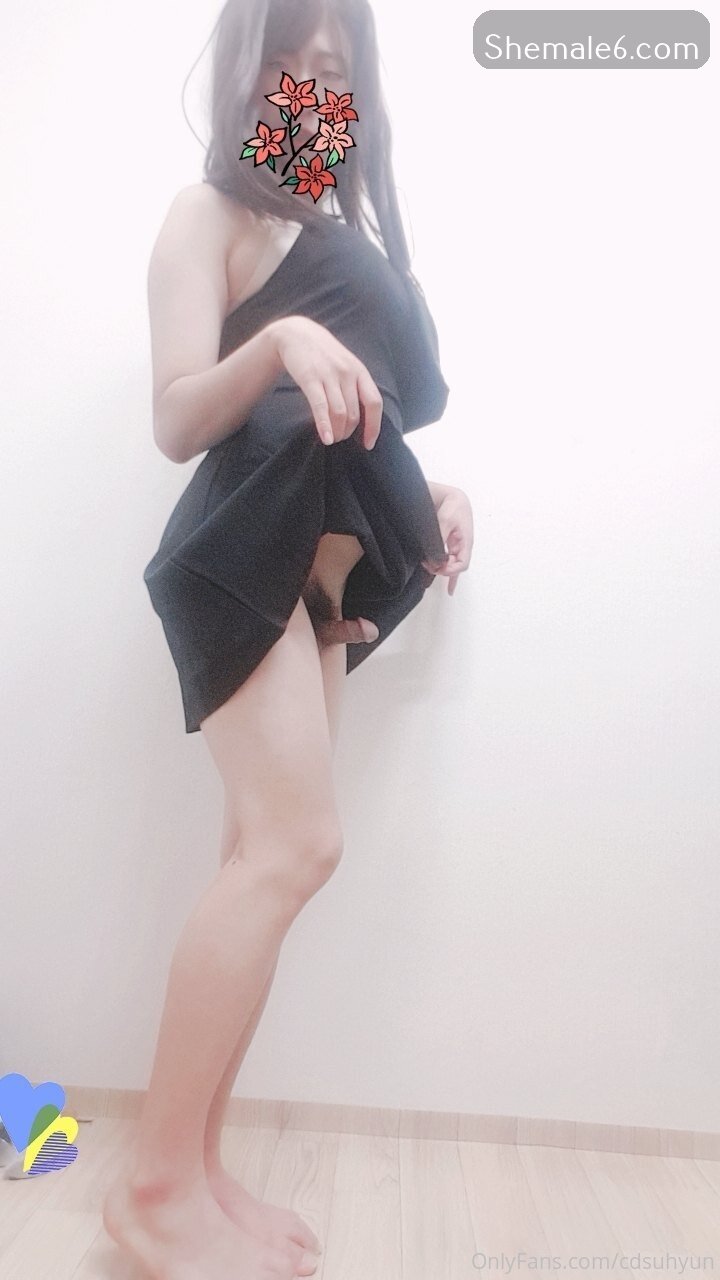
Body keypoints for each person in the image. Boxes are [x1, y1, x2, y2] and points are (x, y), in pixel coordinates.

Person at [104, 1, 474, 1276]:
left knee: (259, 862)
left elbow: (360, 416)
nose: (313, 84)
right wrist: (274, 339)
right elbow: (175, 420)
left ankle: (198, 1169)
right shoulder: (209, 213)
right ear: (242, 72)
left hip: (320, 579)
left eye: (335, 67)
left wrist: (432, 494)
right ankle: (155, 1186)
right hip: (242, 553)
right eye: (287, 60)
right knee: (294, 846)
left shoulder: (337, 227)